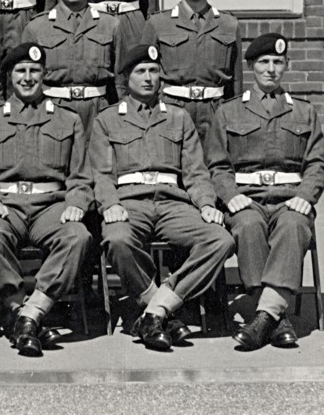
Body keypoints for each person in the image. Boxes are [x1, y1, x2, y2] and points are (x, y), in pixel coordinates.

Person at [89, 44, 234, 352]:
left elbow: (196, 172)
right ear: (126, 78)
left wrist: (207, 204)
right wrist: (110, 204)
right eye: (140, 72)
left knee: (220, 240)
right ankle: (164, 313)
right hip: (129, 202)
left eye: (154, 71)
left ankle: (156, 312)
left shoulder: (178, 118)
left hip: (172, 204)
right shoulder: (107, 120)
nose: (148, 78)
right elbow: (101, 175)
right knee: (117, 239)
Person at [203, 33, 324, 351]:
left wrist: (305, 196)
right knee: (247, 225)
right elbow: (217, 166)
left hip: (290, 197)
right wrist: (230, 195)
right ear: (251, 66)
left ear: (286, 66)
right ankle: (277, 318)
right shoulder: (229, 113)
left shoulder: (303, 112)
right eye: (264, 62)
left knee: (293, 225)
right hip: (248, 196)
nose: (271, 69)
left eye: (277, 62)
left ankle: (263, 319)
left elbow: (316, 165)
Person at [0, 43, 94, 356]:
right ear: (10, 76)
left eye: (34, 71)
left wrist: (77, 203)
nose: (28, 78)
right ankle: (15, 307)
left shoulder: (68, 121)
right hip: (7, 204)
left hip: (51, 205)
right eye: (21, 71)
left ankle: (31, 312)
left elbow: (80, 175)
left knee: (78, 236)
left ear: (44, 74)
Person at [141, 0, 242, 139]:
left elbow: (236, 83)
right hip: (172, 110)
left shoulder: (229, 25)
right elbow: (145, 75)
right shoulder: (158, 24)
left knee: (214, 165)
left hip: (215, 111)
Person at [21, 0, 120, 137]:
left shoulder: (110, 25)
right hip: (53, 111)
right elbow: (24, 82)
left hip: (98, 111)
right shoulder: (36, 28)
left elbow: (121, 79)